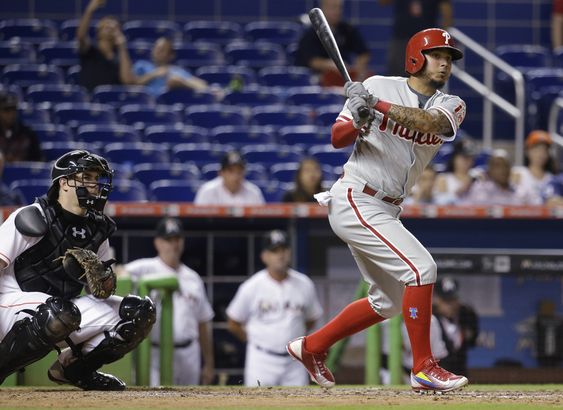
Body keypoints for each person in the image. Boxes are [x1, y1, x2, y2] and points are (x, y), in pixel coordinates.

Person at [286, 28, 470, 393]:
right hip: (356, 195)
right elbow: (336, 138)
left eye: (449, 59)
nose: (445, 64)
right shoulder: (377, 85)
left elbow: (431, 124)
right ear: (417, 57)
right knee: (422, 268)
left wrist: (376, 107)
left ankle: (312, 347)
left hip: (388, 208)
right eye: (437, 56)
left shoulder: (451, 104)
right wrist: (356, 117)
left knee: (387, 302)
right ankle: (423, 368)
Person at [0, 150, 156, 390]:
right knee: (60, 312)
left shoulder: (97, 227)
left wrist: (103, 280)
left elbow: (101, 292)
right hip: (11, 306)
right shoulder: (34, 215)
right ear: (63, 183)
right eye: (86, 177)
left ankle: (74, 370)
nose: (94, 185)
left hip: (64, 312)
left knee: (139, 312)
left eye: (96, 178)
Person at [124, 217, 215, 386]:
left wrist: (209, 363)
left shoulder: (193, 278)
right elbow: (118, 274)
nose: (173, 244)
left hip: (189, 353)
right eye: (168, 240)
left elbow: (203, 322)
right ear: (158, 243)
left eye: (177, 239)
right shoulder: (143, 268)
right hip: (155, 352)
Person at [226, 230, 323, 386]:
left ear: (290, 252)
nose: (280, 255)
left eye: (283, 249)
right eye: (274, 251)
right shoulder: (252, 286)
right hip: (262, 359)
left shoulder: (304, 284)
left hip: (294, 362)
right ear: (264, 256)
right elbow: (233, 322)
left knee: (299, 405)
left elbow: (312, 319)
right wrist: (253, 339)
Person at [295, 0, 371, 86]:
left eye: (339, 7)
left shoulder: (347, 29)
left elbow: (363, 53)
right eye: (332, 7)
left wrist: (357, 70)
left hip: (343, 79)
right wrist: (331, 65)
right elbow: (312, 61)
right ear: (323, 8)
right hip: (317, 80)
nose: (337, 11)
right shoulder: (311, 32)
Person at [379, 0, 453, 76]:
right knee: (396, 76)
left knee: (424, 75)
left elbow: (447, 13)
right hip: (401, 38)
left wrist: (444, 37)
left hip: (426, 41)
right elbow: (383, 2)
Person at [77, 0, 135, 92]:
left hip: (112, 102)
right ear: (98, 31)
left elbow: (128, 81)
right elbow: (81, 36)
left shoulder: (120, 57)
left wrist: (122, 46)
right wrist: (90, 10)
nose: (110, 27)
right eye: (106, 25)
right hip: (90, 101)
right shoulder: (90, 51)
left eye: (114, 27)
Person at [133, 37, 212, 97]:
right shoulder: (142, 65)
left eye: (162, 50)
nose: (157, 52)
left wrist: (181, 83)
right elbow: (132, 84)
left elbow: (202, 85)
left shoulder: (176, 71)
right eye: (156, 48)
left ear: (171, 55)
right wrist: (153, 74)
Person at [432, 277, 479, 376]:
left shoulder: (467, 314)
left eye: (453, 299)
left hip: (460, 372)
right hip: (437, 373)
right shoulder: (430, 317)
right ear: (436, 299)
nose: (450, 305)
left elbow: (472, 341)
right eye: (445, 301)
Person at [461, 150, 536, 205]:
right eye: (497, 166)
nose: (502, 170)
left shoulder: (522, 192)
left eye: (505, 165)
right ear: (489, 171)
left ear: (510, 169)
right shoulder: (479, 190)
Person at [194, 151, 265, 205]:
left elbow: (262, 222)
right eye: (231, 171)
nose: (236, 175)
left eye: (239, 171)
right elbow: (196, 221)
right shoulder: (207, 191)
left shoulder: (253, 192)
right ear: (221, 173)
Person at [511, 130, 557, 205]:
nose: (540, 154)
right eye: (536, 149)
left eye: (544, 150)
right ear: (527, 151)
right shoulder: (518, 172)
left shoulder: (553, 179)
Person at [0, 92, 43, 163]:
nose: (11, 114)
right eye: (6, 110)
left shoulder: (28, 133)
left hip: (24, 174)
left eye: (13, 109)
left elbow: (38, 160)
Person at [434, 138, 477, 203]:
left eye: (470, 158)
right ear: (455, 158)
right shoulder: (444, 179)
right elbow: (440, 203)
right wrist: (460, 191)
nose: (467, 161)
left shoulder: (477, 176)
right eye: (464, 158)